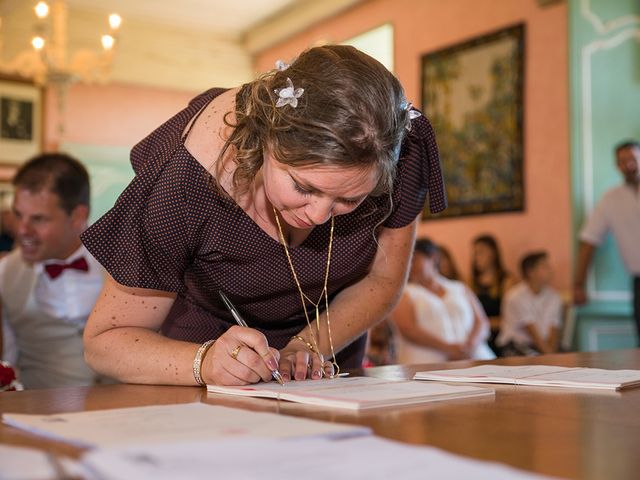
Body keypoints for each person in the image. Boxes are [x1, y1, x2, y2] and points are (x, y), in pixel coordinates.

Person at [80, 45, 447, 387]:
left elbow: (383, 281)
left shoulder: (400, 151)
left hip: (330, 360)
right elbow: (105, 342)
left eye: (349, 200)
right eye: (304, 188)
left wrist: (308, 345)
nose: (320, 215)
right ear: (266, 141)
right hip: (205, 368)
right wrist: (204, 361)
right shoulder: (186, 183)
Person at [0, 153, 104, 389]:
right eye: (18, 215)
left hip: (125, 413)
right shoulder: (5, 273)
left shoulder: (126, 264)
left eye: (38, 219)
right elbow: (8, 361)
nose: (22, 230)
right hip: (38, 416)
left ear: (78, 216)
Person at [574, 140, 640, 345]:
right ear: (617, 165)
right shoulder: (611, 199)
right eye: (623, 161)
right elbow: (589, 240)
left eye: (633, 159)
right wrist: (578, 284)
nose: (629, 165)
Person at [390, 238, 494, 363]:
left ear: (433, 258)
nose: (409, 264)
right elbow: (408, 329)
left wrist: (470, 345)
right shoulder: (405, 293)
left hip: (473, 355)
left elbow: (481, 321)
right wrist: (449, 348)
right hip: (427, 362)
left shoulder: (459, 288)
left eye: (414, 259)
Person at [496, 251, 562, 356]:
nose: (550, 270)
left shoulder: (554, 297)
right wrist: (551, 357)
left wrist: (552, 353)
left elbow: (553, 329)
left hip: (543, 345)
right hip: (515, 345)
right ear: (530, 272)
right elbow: (531, 331)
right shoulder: (515, 296)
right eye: (545, 266)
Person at [470, 234, 517, 353]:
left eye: (480, 252)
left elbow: (509, 320)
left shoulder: (507, 281)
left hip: (500, 339)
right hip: (478, 338)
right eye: (474, 253)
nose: (476, 258)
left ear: (493, 253)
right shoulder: (471, 283)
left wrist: (482, 325)